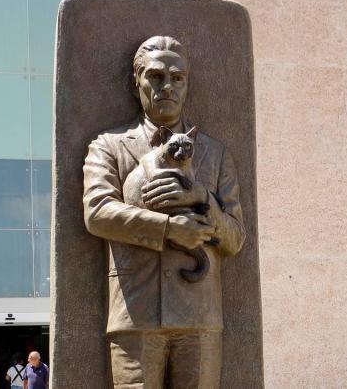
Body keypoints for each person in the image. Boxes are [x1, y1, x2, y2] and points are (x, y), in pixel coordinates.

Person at [83, 35, 245, 387]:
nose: (166, 87)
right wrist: (170, 229)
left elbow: (234, 239)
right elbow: (98, 211)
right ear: (136, 81)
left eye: (177, 78)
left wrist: (201, 196)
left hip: (200, 317)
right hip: (136, 314)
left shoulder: (215, 156)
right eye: (155, 77)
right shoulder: (108, 145)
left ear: (187, 84)